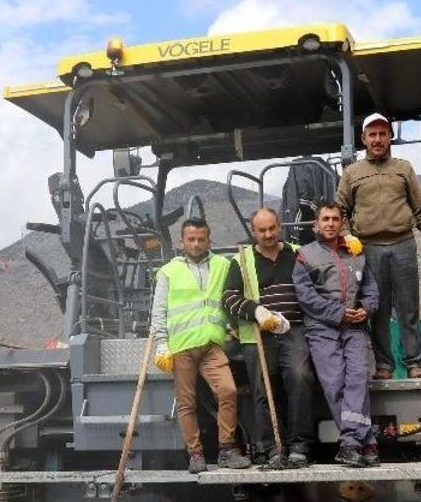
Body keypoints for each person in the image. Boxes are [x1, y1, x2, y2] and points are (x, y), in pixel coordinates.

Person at [336, 112, 421, 381]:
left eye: (383, 134)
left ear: (390, 137)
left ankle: (414, 363)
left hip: (403, 244)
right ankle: (384, 365)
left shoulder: (404, 168)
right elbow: (340, 210)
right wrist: (347, 234)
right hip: (368, 249)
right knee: (378, 310)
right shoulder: (351, 174)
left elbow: (420, 207)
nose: (378, 139)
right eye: (372, 134)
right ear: (363, 139)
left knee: (408, 307)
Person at [150, 218, 249, 474]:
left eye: (201, 239)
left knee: (228, 392)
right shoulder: (168, 271)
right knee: (187, 403)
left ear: (208, 240)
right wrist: (161, 344)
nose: (196, 243)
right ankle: (195, 455)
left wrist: (233, 325)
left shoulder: (223, 265)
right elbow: (158, 311)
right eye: (191, 239)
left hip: (211, 344)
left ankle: (227, 449)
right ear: (182, 241)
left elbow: (228, 299)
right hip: (181, 347)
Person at [223, 207, 317, 470]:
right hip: (258, 334)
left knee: (300, 378)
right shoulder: (241, 261)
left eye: (272, 228)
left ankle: (300, 446)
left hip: (294, 330)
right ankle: (272, 447)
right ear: (253, 232)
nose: (267, 234)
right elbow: (229, 298)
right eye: (261, 230)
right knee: (263, 388)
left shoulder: (298, 254)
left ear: (279, 227)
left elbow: (323, 273)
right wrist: (257, 311)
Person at [292, 203, 380, 467]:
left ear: (342, 223)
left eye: (335, 219)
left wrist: (365, 309)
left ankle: (351, 443)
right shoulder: (305, 256)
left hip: (355, 328)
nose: (330, 223)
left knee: (358, 380)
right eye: (325, 219)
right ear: (315, 225)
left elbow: (371, 289)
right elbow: (306, 297)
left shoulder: (357, 253)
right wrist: (339, 313)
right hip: (322, 329)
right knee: (335, 384)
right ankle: (364, 442)